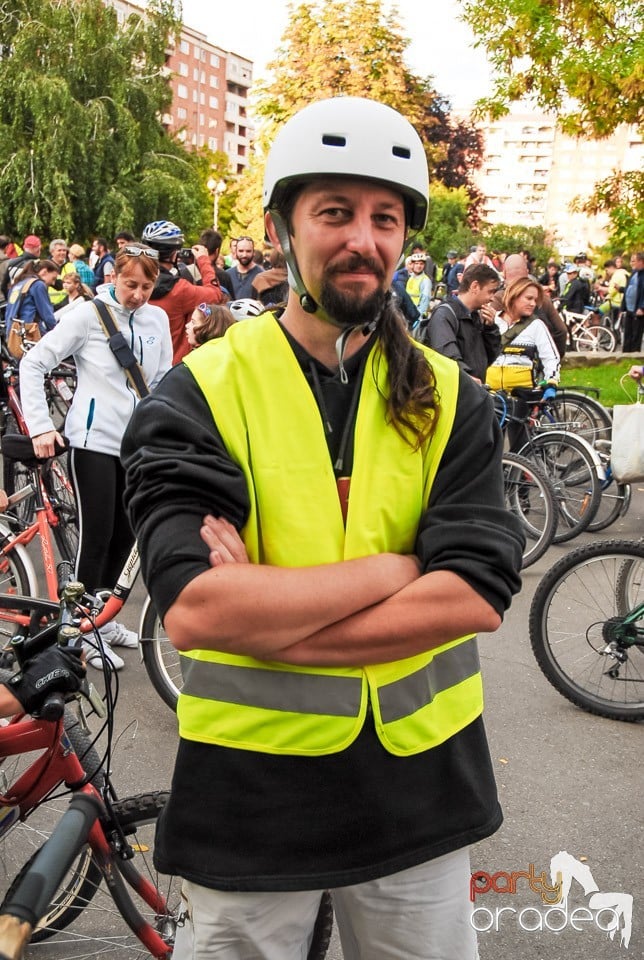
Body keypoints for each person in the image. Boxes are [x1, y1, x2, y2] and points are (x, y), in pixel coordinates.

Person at [122, 95, 524, 960]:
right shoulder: (200, 395)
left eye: (385, 217)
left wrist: (273, 626)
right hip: (251, 805)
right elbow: (194, 612)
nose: (362, 239)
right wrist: (402, 567)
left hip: (420, 799)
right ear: (281, 228)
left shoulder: (453, 398)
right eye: (334, 212)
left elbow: (478, 593)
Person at [19, 244, 172, 670]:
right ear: (113, 277)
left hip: (136, 444)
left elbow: (158, 381)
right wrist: (41, 426)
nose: (138, 294)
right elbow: (34, 363)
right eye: (130, 284)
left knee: (126, 539)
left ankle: (103, 622)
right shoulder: (87, 315)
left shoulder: (157, 319)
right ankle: (79, 633)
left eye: (146, 286)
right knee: (97, 538)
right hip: (92, 442)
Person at [142, 220, 226, 365]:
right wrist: (203, 260)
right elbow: (215, 295)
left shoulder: (134, 283)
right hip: (172, 365)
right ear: (174, 254)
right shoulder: (179, 290)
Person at [420, 263, 501, 383]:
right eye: (490, 291)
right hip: (455, 392)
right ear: (475, 286)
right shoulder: (445, 314)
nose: (492, 298)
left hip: (473, 392)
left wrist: (490, 329)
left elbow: (486, 360)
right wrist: (468, 380)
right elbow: (446, 357)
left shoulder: (475, 316)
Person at [486, 276, 560, 393]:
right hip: (488, 394)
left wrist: (551, 381)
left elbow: (551, 358)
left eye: (535, 300)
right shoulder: (492, 320)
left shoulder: (536, 325)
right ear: (514, 296)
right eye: (529, 298)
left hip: (522, 396)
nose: (533, 304)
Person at [4, 259, 58, 334]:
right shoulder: (38, 285)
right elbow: (47, 314)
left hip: (13, 333)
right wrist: (56, 332)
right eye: (53, 278)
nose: (53, 283)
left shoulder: (17, 285)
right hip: (30, 332)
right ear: (44, 272)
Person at [621, 252, 644, 353]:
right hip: (630, 308)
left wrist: (642, 307)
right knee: (628, 334)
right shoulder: (634, 273)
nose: (631, 263)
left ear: (641, 261)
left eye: (634, 261)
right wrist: (623, 307)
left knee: (636, 335)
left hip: (638, 309)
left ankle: (634, 355)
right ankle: (625, 355)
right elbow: (628, 289)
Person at [405, 252, 432, 317]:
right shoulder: (411, 277)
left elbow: (424, 302)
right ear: (412, 265)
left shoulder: (425, 281)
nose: (419, 266)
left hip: (416, 314)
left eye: (421, 264)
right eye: (416, 263)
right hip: (407, 312)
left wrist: (418, 318)